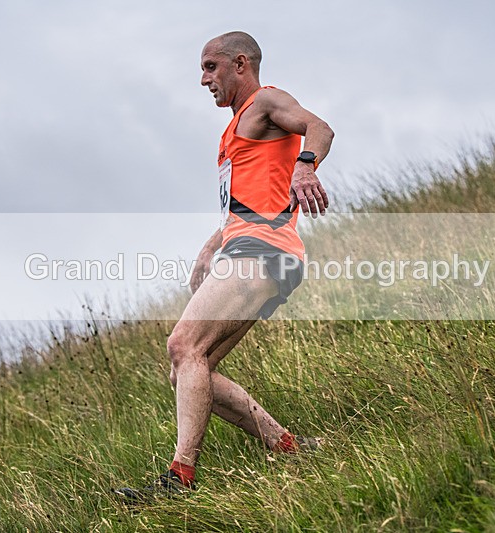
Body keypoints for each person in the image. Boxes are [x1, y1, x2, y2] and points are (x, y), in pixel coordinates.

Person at [115, 30, 334, 502]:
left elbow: (320, 127)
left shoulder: (265, 101)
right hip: (251, 249)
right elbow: (249, 203)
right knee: (192, 369)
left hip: (263, 252)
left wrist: (307, 165)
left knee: (182, 345)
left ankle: (180, 478)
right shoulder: (235, 130)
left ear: (241, 63)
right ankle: (288, 446)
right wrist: (210, 246)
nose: (202, 79)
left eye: (210, 67)